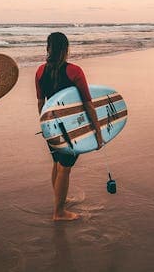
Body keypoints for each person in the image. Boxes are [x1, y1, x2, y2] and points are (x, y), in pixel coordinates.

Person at [35, 32, 104, 221]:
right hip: (72, 128)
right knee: (65, 167)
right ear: (66, 49)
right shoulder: (75, 71)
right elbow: (88, 104)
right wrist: (98, 133)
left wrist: (45, 126)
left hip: (52, 126)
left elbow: (41, 103)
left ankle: (59, 199)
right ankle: (59, 212)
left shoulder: (40, 71)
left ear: (48, 48)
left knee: (57, 164)